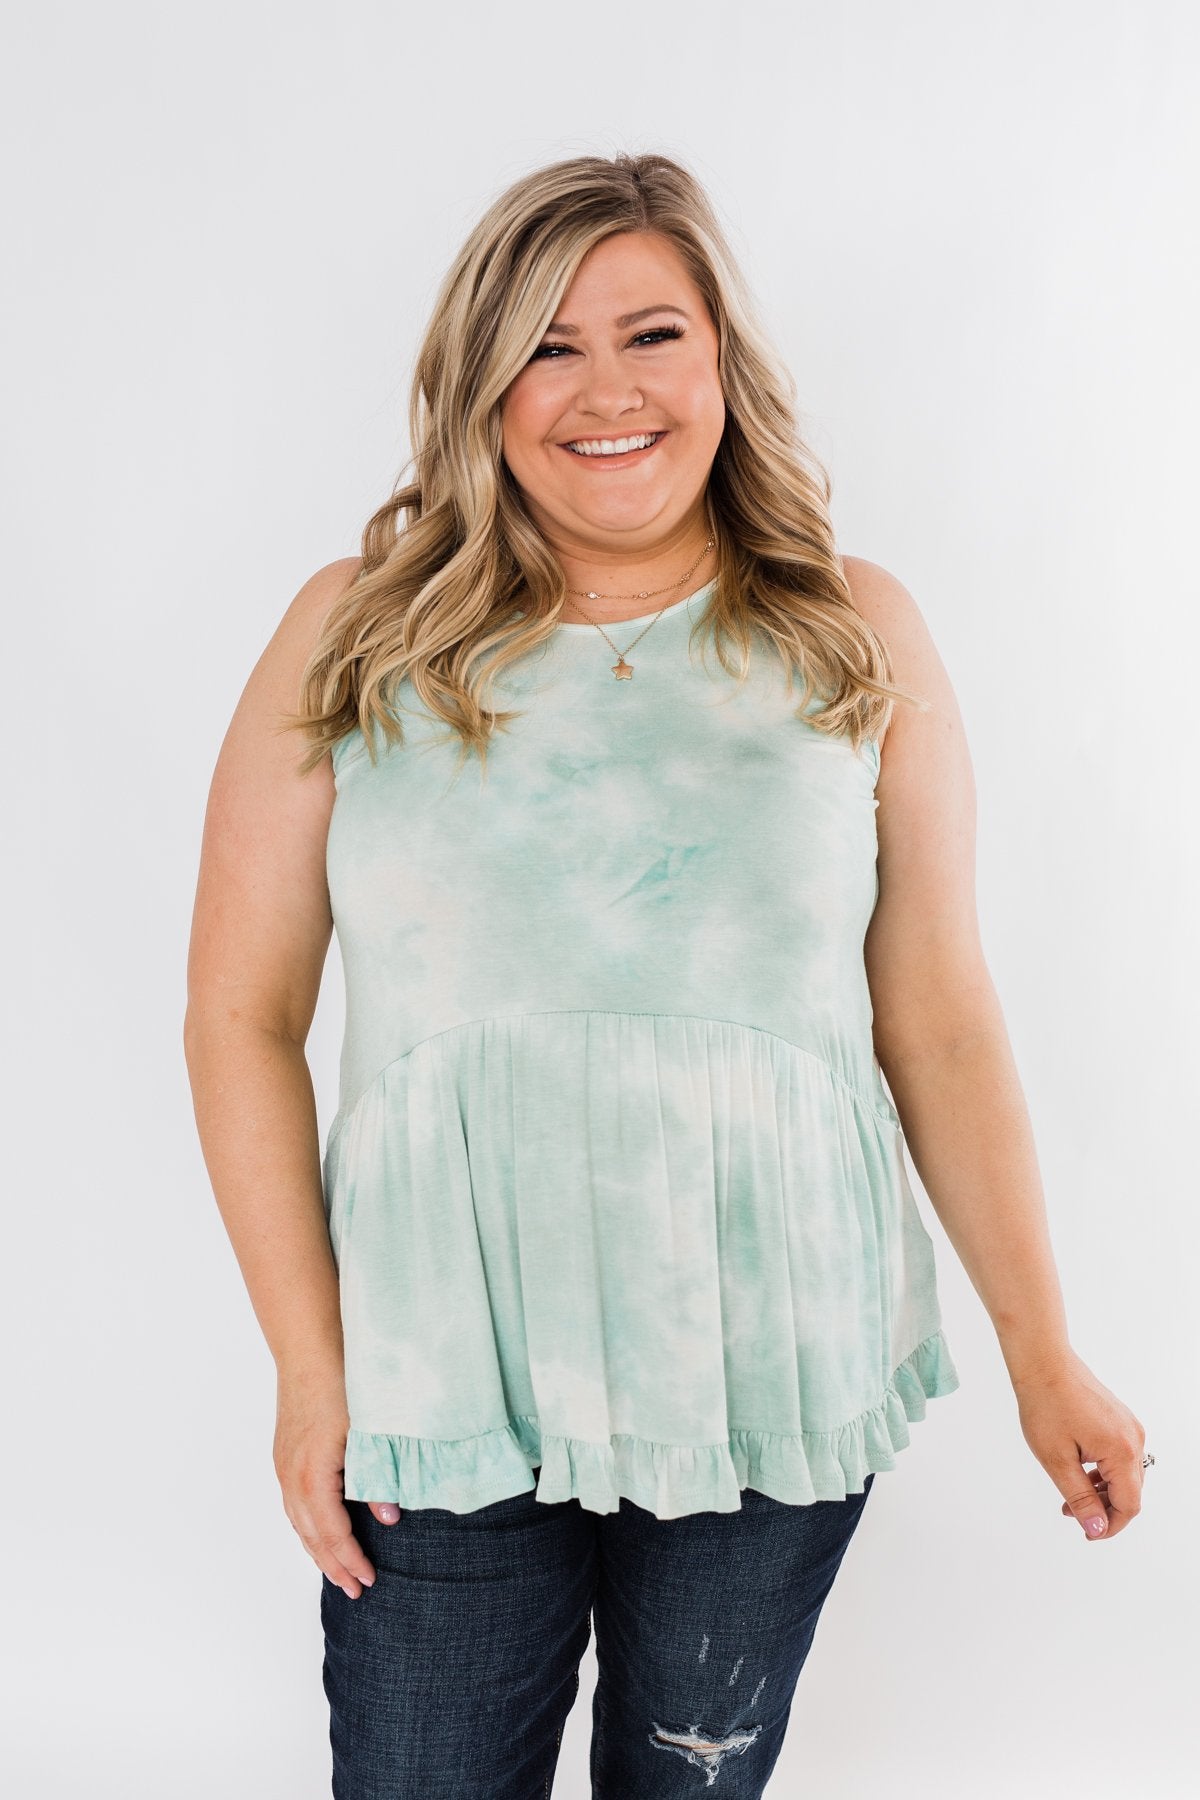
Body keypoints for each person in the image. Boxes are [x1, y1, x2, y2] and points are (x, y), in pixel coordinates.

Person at [183, 151, 1150, 1798]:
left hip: (771, 1368)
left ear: (722, 362)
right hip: (438, 1376)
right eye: (549, 347)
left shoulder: (853, 629)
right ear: (483, 383)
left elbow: (937, 1016)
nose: (607, 390)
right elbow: (240, 1015)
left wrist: (1042, 1350)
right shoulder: (357, 631)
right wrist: (308, 1371)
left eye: (652, 335)